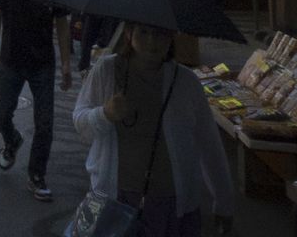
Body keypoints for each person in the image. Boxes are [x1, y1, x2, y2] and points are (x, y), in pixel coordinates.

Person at [72, 22, 234, 237]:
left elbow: (208, 144)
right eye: (144, 32)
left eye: (160, 33)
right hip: (114, 198)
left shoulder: (187, 82)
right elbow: (81, 124)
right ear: (129, 34)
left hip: (172, 202)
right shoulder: (106, 71)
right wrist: (105, 114)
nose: (151, 41)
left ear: (171, 37)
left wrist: (224, 202)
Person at [0, 0, 74, 203]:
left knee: (45, 124)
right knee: (0, 114)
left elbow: (61, 25)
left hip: (42, 64)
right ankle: (12, 140)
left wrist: (67, 64)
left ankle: (37, 175)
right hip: (11, 60)